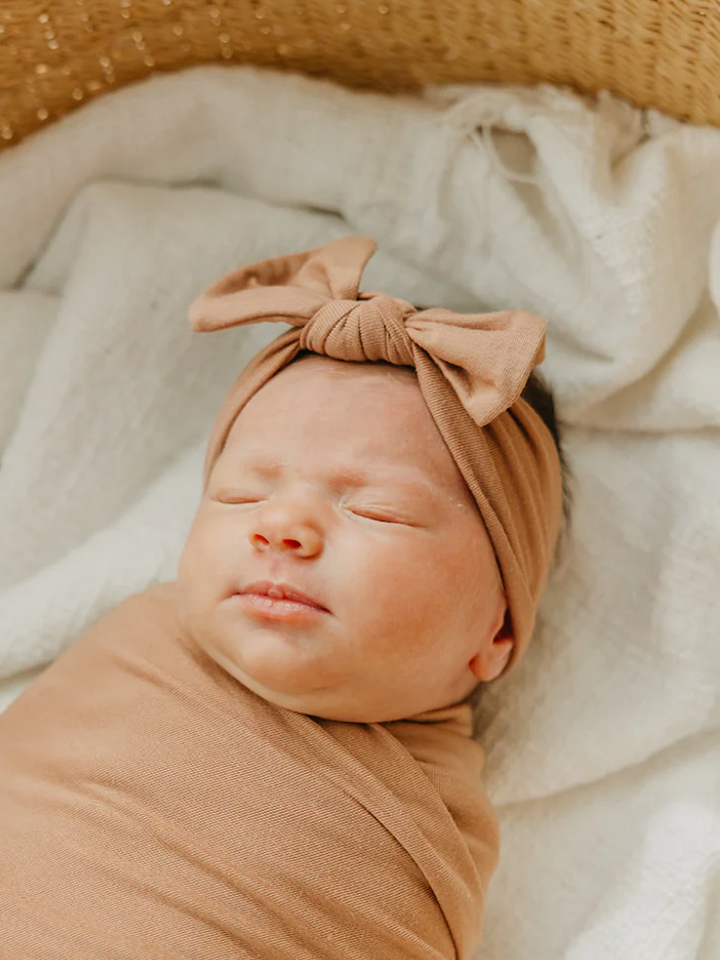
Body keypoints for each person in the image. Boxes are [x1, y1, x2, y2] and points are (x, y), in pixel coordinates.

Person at [0, 236, 565, 959]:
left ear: (497, 631)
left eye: (377, 510)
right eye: (242, 493)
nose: (281, 526)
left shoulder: (428, 831)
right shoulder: (135, 640)